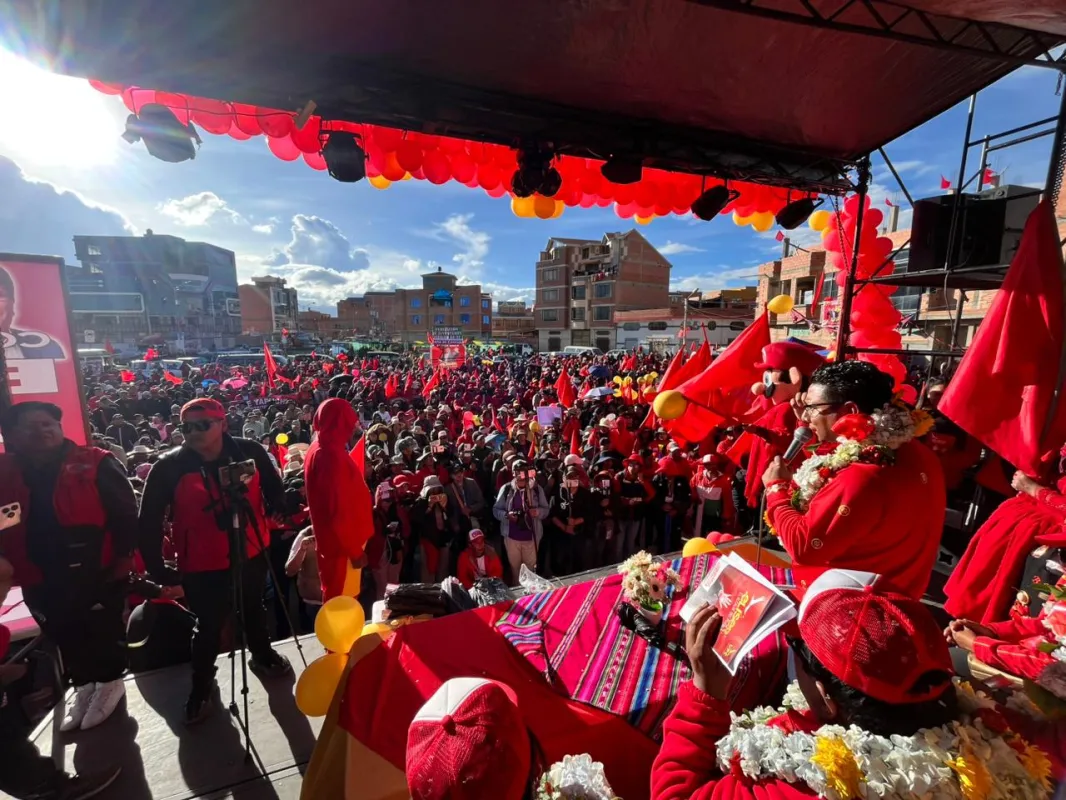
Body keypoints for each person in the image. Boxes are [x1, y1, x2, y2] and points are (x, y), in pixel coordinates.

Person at [651, 569, 1052, 800]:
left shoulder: (805, 787)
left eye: (798, 646)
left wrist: (704, 694)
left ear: (825, 697)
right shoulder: (1007, 737)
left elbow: (674, 794)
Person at [138, 398, 293, 725]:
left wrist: (278, 502)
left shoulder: (249, 449)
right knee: (208, 626)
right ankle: (202, 687)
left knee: (253, 607)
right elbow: (148, 521)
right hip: (202, 563)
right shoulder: (168, 467)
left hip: (251, 549)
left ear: (222, 424)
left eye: (202, 425)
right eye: (186, 427)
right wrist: (156, 567)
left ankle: (262, 655)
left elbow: (272, 484)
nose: (193, 433)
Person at [0, 401, 139, 733]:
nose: (42, 431)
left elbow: (126, 515)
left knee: (100, 633)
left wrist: (123, 562)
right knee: (62, 633)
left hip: (96, 571)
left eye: (48, 423)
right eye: (31, 426)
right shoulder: (5, 472)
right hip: (37, 574)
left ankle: (109, 686)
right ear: (15, 436)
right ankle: (85, 686)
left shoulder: (96, 463)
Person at [761, 361, 945, 598]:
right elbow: (837, 460)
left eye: (813, 407)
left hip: (847, 611)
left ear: (850, 411)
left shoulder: (862, 476)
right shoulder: (915, 450)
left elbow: (803, 547)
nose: (806, 416)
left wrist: (776, 489)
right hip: (900, 595)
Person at [303, 398, 373, 602]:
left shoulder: (319, 448)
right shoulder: (329, 456)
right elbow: (337, 510)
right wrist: (354, 551)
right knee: (342, 602)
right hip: (343, 548)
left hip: (339, 543)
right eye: (348, 422)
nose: (352, 428)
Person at [493, 460, 549, 583]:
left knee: (530, 572)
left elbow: (546, 509)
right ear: (513, 473)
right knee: (515, 571)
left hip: (531, 537)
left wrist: (537, 512)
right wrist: (507, 515)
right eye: (517, 471)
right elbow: (496, 510)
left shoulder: (536, 489)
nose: (520, 474)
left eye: (523, 471)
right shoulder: (507, 489)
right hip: (512, 538)